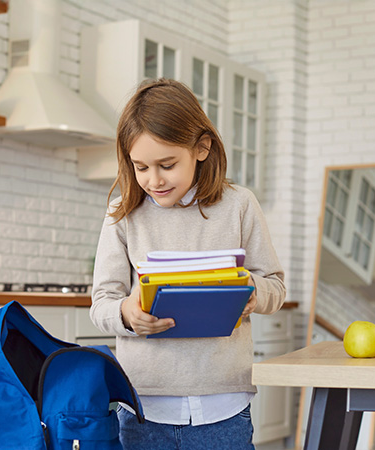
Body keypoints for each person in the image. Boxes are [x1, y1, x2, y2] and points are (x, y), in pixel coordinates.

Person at [90, 78, 286, 450]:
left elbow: (274, 284)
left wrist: (252, 294)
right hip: (142, 406)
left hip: (224, 405)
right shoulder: (123, 215)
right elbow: (101, 303)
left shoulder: (239, 205)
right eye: (140, 167)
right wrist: (128, 312)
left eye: (166, 164)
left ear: (201, 147)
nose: (153, 180)